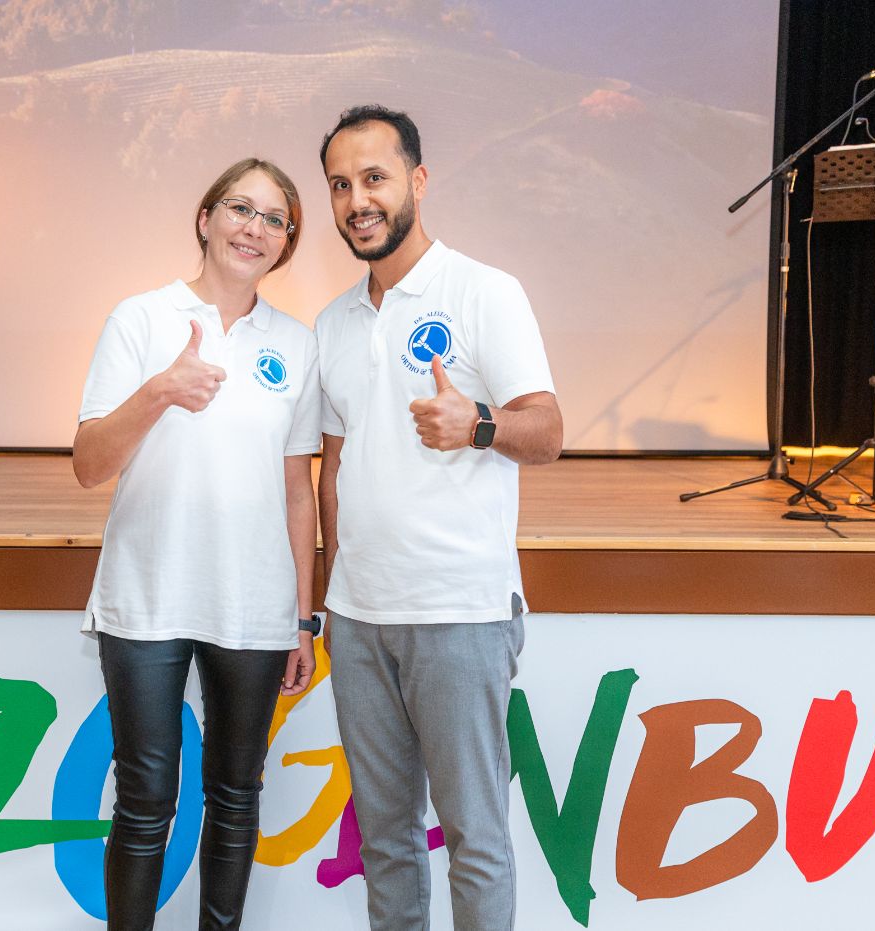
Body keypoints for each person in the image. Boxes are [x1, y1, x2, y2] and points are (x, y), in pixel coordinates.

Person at [314, 105, 564, 930]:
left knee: (475, 838)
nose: (358, 200)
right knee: (385, 840)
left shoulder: (485, 291)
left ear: (417, 181)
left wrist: (479, 424)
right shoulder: (334, 323)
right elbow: (333, 471)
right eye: (341, 185)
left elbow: (548, 432)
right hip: (358, 621)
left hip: (459, 612)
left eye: (374, 178)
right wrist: (329, 599)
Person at [72, 157, 321, 930]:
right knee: (145, 799)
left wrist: (303, 619)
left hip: (253, 602)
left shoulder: (297, 344)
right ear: (207, 218)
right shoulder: (141, 319)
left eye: (274, 219)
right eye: (240, 209)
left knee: (236, 794)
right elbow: (89, 464)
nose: (255, 228)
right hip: (147, 594)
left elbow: (298, 489)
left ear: (285, 243)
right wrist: (159, 392)